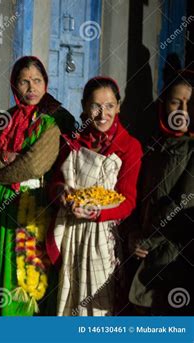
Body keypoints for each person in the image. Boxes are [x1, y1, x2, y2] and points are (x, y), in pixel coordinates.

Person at [0, 56, 75, 316]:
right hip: (1, 203)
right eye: (24, 82)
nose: (31, 88)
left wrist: (1, 168)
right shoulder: (4, 118)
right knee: (0, 267)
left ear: (46, 83)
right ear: (14, 86)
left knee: (27, 272)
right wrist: (5, 159)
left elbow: (35, 164)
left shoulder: (53, 120)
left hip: (35, 202)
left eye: (37, 81)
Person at [47, 76, 143, 316]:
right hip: (72, 234)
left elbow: (128, 201)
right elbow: (57, 181)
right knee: (69, 301)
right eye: (95, 106)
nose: (102, 114)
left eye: (110, 106)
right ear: (84, 106)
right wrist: (60, 192)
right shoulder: (74, 141)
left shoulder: (129, 147)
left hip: (103, 236)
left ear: (119, 106)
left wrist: (97, 212)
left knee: (99, 306)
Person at [129, 70, 193, 315]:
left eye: (189, 103)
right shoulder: (153, 145)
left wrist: (147, 240)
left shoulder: (190, 149)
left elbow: (183, 203)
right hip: (141, 251)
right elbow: (136, 194)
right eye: (176, 102)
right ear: (164, 105)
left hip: (172, 258)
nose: (182, 110)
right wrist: (133, 233)